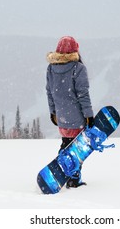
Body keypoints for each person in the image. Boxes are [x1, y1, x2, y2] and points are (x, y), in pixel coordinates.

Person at [46, 36, 94, 188]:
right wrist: (89, 116)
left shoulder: (51, 68)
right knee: (76, 149)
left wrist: (53, 112)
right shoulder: (78, 68)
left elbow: (50, 92)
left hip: (61, 118)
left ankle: (62, 170)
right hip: (77, 119)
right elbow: (83, 94)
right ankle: (73, 179)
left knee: (67, 144)